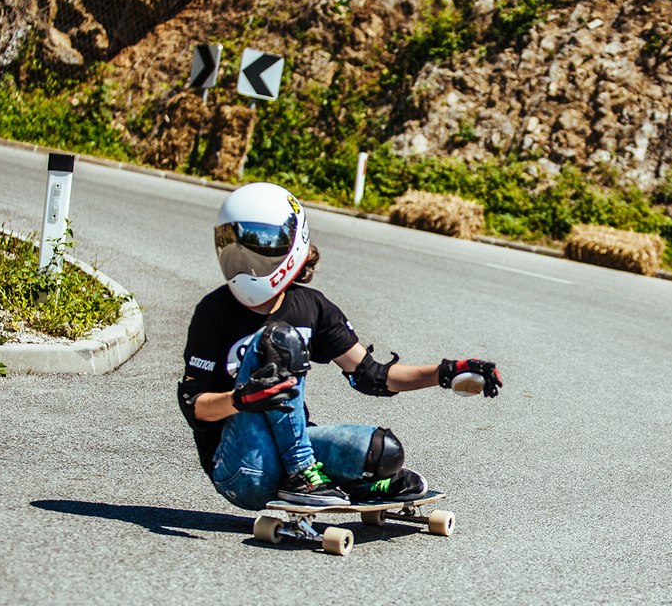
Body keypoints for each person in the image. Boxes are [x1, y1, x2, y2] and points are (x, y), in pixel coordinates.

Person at [177, 182, 503, 510]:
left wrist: (448, 371)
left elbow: (372, 376)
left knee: (382, 451)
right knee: (281, 339)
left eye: (260, 245)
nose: (245, 260)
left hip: (287, 452)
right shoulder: (214, 311)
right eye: (234, 246)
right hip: (241, 468)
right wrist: (241, 400)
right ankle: (306, 475)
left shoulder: (312, 307)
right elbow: (195, 405)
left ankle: (338, 481)